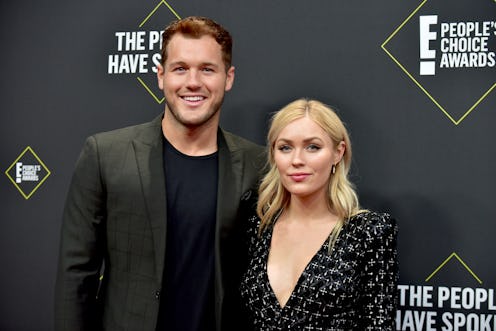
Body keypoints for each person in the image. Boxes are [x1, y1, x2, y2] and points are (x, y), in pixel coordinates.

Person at [55, 16, 264, 331]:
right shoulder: (105, 154)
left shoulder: (258, 164)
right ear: (161, 76)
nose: (193, 82)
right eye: (180, 68)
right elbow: (75, 275)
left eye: (207, 69)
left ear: (228, 77)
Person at [240, 98, 398, 330]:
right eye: (285, 147)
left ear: (338, 152)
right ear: (274, 155)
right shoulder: (258, 226)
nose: (297, 160)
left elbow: (379, 325)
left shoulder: (369, 232)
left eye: (312, 147)